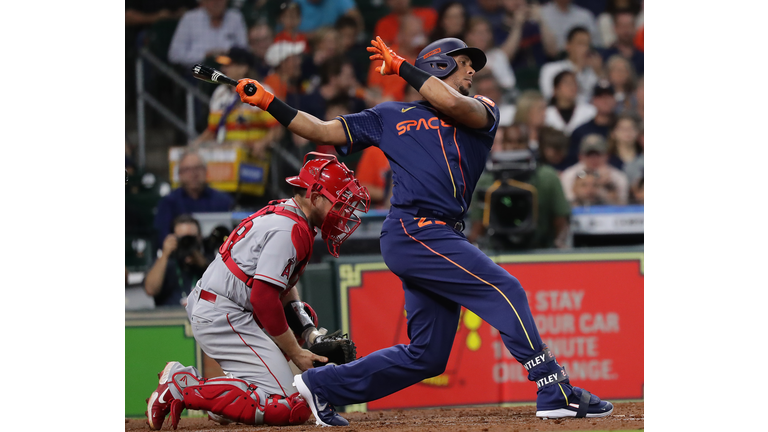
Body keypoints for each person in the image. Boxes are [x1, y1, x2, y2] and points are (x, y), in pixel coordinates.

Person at [232, 35, 614, 425]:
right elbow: (322, 131)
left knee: (428, 355)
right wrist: (269, 102)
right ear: (438, 65)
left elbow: (449, 102)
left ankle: (321, 386)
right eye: (463, 62)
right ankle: (554, 387)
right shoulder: (388, 115)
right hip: (414, 228)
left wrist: (401, 67)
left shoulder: (482, 110)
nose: (471, 70)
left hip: (438, 233)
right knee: (506, 289)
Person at [145, 153, 372, 429]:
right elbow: (264, 299)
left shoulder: (292, 217)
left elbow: (282, 288)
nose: (344, 213)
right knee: (290, 409)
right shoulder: (288, 229)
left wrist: (308, 332)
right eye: (338, 202)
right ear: (314, 195)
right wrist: (298, 354)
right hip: (223, 313)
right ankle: (183, 385)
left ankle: (229, 403)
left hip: (227, 307)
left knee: (300, 316)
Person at [468, 124, 570, 250]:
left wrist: (559, 245)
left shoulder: (547, 177)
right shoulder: (486, 181)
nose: (514, 146)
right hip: (497, 249)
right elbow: (477, 228)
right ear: (503, 144)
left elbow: (561, 221)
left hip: (539, 249)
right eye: (509, 142)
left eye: (520, 142)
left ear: (528, 144)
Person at [190, 46, 281, 159]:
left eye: (229, 65)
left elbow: (277, 129)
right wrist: (194, 146)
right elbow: (212, 130)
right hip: (225, 158)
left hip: (253, 159)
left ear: (243, 68)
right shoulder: (220, 93)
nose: (223, 69)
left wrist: (262, 144)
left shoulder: (261, 91)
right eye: (223, 65)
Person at [153, 151, 234, 248]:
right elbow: (163, 238)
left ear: (205, 171)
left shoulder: (223, 201)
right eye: (187, 169)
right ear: (180, 174)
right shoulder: (169, 203)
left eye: (197, 168)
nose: (193, 174)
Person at [144, 214, 210, 307]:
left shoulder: (209, 262)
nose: (186, 242)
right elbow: (151, 290)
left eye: (191, 238)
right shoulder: (165, 263)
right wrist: (165, 254)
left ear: (199, 237)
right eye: (182, 238)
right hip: (170, 318)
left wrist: (201, 262)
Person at [167, 0, 248, 69]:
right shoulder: (190, 18)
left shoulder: (235, 17)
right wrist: (204, 56)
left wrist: (230, 53)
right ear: (203, 2)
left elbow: (244, 49)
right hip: (199, 72)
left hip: (229, 69)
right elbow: (174, 55)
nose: (216, 3)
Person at [366, 14, 426, 102]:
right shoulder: (384, 56)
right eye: (413, 34)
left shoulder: (425, 59)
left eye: (419, 35)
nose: (417, 39)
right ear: (400, 35)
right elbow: (374, 89)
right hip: (386, 106)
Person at [561, 79, 617, 170]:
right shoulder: (580, 132)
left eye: (609, 97)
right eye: (600, 97)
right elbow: (571, 163)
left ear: (614, 100)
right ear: (593, 100)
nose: (605, 101)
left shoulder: (623, 128)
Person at [538, 26, 601, 105]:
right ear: (568, 45)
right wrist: (577, 70)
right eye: (580, 44)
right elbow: (549, 97)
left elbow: (601, 100)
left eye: (588, 44)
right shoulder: (551, 69)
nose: (586, 49)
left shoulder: (593, 72)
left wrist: (599, 73)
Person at [560, 134, 629, 205]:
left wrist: (606, 187)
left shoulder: (618, 177)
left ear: (606, 156)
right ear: (580, 156)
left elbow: (622, 206)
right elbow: (568, 203)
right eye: (589, 154)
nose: (593, 158)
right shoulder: (569, 175)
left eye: (598, 154)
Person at [463, 16, 517, 96]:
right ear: (469, 36)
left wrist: (491, 74)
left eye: (487, 32)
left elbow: (509, 84)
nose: (484, 37)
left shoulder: (498, 55)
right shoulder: (462, 58)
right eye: (479, 33)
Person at [544, 70, 597, 136]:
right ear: (555, 90)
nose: (571, 87)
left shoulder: (590, 111)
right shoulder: (546, 114)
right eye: (567, 83)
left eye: (574, 83)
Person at [599, 9, 643, 76]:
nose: (626, 30)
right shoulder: (606, 56)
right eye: (622, 26)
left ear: (635, 28)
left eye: (629, 26)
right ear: (615, 28)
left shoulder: (643, 57)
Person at [293, 0, 363, 36]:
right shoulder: (295, 2)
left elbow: (356, 20)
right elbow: (286, 30)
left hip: (334, 46)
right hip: (301, 46)